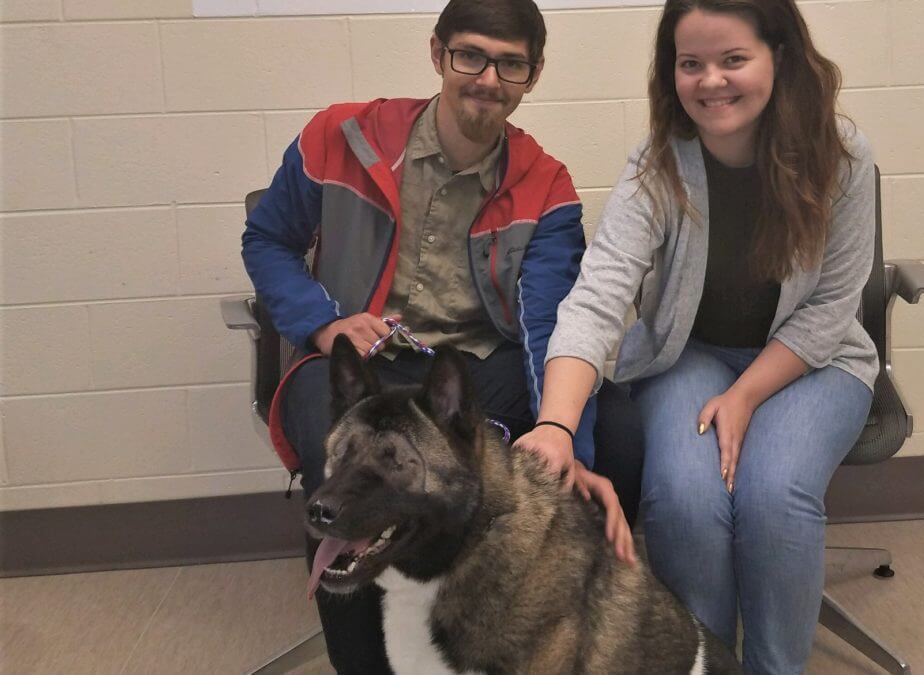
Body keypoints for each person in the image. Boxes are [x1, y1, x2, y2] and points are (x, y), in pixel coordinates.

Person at [241, 1, 638, 672]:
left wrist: (570, 441)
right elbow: (267, 241)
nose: (488, 78)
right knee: (340, 463)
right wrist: (325, 320)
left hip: (466, 371)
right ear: (437, 54)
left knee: (625, 428)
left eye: (510, 63)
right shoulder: (340, 135)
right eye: (471, 55)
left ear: (532, 75)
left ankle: (532, 638)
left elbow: (551, 325)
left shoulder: (546, 184)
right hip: (354, 362)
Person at [512, 0, 878, 671]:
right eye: (691, 64)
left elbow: (831, 307)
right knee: (683, 497)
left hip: (814, 361)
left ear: (780, 58)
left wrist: (743, 396)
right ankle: (702, 662)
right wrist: (557, 426)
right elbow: (597, 298)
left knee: (776, 495)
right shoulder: (657, 167)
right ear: (670, 73)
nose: (711, 80)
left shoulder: (843, 159)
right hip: (690, 356)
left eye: (733, 59)